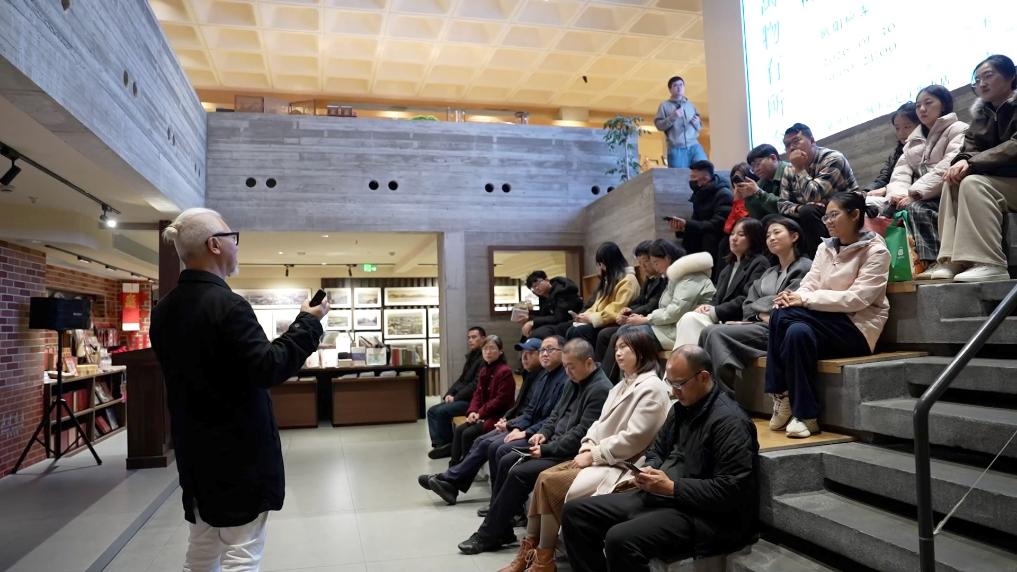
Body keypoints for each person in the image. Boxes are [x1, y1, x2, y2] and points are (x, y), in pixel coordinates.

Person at [149, 208, 328, 571]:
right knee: (243, 554)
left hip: (195, 452)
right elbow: (268, 367)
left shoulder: (164, 309)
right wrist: (308, 323)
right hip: (238, 454)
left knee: (201, 550)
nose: (237, 245)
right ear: (214, 245)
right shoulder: (229, 305)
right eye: (233, 238)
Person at [561, 346, 759, 572]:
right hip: (664, 496)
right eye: (670, 383)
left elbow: (731, 490)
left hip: (706, 516)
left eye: (679, 384)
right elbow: (657, 450)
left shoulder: (731, 422)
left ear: (703, 377)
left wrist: (673, 488)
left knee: (620, 538)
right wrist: (648, 470)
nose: (674, 391)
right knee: (575, 513)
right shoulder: (680, 408)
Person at [497, 328, 670, 572]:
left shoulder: (652, 387)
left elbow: (635, 438)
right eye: (616, 348)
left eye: (625, 347)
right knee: (542, 479)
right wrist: (588, 444)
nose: (618, 353)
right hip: (598, 455)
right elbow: (597, 424)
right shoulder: (622, 384)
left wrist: (593, 454)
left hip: (621, 464)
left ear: (642, 350)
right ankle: (533, 552)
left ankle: (544, 557)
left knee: (550, 483)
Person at [456, 339, 612, 555]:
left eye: (571, 366)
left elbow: (581, 434)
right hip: (553, 443)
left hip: (571, 453)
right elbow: (555, 415)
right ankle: (501, 529)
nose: (567, 372)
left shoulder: (600, 389)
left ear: (588, 362)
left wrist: (547, 449)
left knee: (518, 472)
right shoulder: (574, 380)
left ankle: (488, 535)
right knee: (506, 458)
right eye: (565, 366)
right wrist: (543, 433)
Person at [766, 191, 890, 438]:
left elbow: (857, 299)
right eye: (826, 217)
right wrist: (794, 297)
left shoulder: (876, 251)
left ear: (855, 215)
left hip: (856, 329)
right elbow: (810, 283)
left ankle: (781, 392)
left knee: (781, 316)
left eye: (834, 215)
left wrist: (804, 300)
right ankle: (807, 416)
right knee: (796, 331)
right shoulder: (825, 247)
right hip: (822, 323)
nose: (828, 221)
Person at [419, 336, 568, 506]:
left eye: (533, 352)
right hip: (517, 423)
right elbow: (526, 410)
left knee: (489, 444)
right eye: (541, 351)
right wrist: (481, 414)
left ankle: (460, 485)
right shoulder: (540, 377)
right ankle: (451, 482)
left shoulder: (551, 378)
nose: (526, 357)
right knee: (478, 438)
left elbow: (541, 415)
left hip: (530, 429)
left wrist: (515, 426)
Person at [928, 54, 1017, 282]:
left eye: (988, 76)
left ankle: (990, 262)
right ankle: (952, 260)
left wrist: (973, 163)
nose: (982, 84)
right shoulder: (981, 115)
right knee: (953, 182)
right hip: (1001, 182)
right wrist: (962, 161)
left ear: (1011, 76)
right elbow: (970, 147)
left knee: (974, 183)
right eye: (977, 80)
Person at [701, 217, 813, 389]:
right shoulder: (769, 272)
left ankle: (721, 395)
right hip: (760, 324)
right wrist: (762, 312)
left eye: (777, 232)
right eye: (768, 235)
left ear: (794, 236)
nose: (771, 238)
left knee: (716, 333)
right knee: (707, 331)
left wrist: (760, 306)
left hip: (781, 330)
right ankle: (704, 391)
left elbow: (786, 303)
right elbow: (748, 305)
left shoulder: (806, 267)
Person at [600, 240, 714, 380]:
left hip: (681, 330)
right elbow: (666, 309)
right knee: (624, 332)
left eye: (656, 262)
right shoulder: (677, 277)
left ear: (667, 258)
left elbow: (675, 311)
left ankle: (616, 383)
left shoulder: (690, 277)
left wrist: (646, 319)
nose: (654, 266)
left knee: (627, 336)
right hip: (669, 327)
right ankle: (620, 383)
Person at [883, 86, 968, 274]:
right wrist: (898, 195)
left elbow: (948, 164)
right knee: (886, 211)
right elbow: (900, 174)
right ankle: (906, 267)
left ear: (943, 105)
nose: (922, 109)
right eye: (918, 105)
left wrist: (914, 194)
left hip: (947, 190)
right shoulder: (912, 142)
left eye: (928, 103)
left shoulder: (958, 129)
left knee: (917, 208)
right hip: (924, 193)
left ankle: (938, 261)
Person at [673, 217, 770, 347]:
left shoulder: (759, 263)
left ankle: (688, 359)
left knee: (690, 319)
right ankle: (688, 358)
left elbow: (748, 298)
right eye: (732, 234)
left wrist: (715, 311)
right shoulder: (727, 268)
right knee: (689, 317)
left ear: (753, 238)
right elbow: (717, 298)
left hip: (740, 321)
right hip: (722, 318)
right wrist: (707, 306)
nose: (734, 238)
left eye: (741, 234)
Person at [778, 123, 860, 258]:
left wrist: (799, 169)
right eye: (787, 145)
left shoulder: (833, 158)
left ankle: (822, 260)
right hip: (811, 213)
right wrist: (798, 208)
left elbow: (814, 196)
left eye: (796, 141)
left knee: (808, 211)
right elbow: (782, 204)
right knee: (774, 221)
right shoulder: (789, 169)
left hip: (845, 210)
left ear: (812, 141)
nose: (791, 148)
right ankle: (793, 265)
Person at [594, 241, 667, 368]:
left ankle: (607, 375)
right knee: (604, 334)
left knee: (615, 335)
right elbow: (639, 301)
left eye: (646, 262)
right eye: (640, 263)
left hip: (651, 322)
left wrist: (630, 314)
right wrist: (627, 311)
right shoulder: (648, 279)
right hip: (640, 319)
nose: (643, 267)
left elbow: (652, 305)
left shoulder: (663, 280)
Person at [446, 335, 516, 464]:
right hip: (483, 414)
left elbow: (500, 401)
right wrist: (472, 411)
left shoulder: (504, 371)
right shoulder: (484, 370)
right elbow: (477, 395)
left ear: (500, 351)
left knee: (468, 433)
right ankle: (454, 466)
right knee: (460, 429)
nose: (488, 352)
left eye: (492, 348)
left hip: (497, 417)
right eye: (485, 349)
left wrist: (480, 413)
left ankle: (466, 468)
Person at [426, 326, 486, 458]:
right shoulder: (472, 357)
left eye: (474, 337)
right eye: (469, 338)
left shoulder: (483, 359)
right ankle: (440, 445)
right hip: (462, 398)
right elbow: (461, 380)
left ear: (483, 339)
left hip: (471, 402)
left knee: (441, 412)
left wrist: (456, 397)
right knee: (432, 411)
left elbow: (475, 385)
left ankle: (448, 445)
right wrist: (449, 393)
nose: (470, 340)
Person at [566, 242, 640, 346]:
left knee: (580, 331)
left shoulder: (628, 280)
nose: (601, 268)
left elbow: (616, 308)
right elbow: (597, 304)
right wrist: (584, 316)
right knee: (571, 330)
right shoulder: (609, 280)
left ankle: (585, 356)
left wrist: (591, 318)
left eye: (601, 264)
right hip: (604, 320)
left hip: (615, 321)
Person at [667, 160, 733, 274]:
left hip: (717, 240)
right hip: (703, 239)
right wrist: (682, 228)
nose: (691, 180)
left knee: (708, 237)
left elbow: (718, 224)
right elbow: (696, 221)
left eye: (694, 177)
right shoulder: (700, 194)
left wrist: (688, 224)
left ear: (705, 178)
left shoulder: (723, 194)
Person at [864, 102, 920, 211]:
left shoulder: (923, 147)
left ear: (919, 124)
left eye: (907, 126)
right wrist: (866, 191)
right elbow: (884, 177)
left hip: (910, 199)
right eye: (897, 128)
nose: (901, 133)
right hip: (893, 196)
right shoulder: (897, 153)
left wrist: (885, 189)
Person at [654, 75, 706, 168]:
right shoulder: (664, 106)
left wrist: (697, 123)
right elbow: (659, 125)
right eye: (675, 85)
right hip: (676, 149)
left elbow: (699, 127)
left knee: (705, 169)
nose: (679, 87)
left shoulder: (691, 105)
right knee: (679, 175)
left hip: (694, 146)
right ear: (670, 90)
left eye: (681, 85)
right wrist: (673, 117)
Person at [521, 271, 583, 339]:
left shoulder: (562, 291)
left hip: (573, 322)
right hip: (559, 323)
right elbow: (544, 315)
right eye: (533, 287)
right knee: (531, 329)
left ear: (547, 280)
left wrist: (533, 322)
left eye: (537, 284)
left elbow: (559, 317)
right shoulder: (543, 296)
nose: (536, 288)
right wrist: (528, 317)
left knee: (541, 331)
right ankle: (526, 345)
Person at [737, 144, 789, 220]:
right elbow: (758, 217)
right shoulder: (761, 182)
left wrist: (759, 193)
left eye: (758, 164)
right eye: (752, 167)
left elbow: (787, 207)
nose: (756, 170)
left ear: (773, 158)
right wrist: (749, 198)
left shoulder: (790, 171)